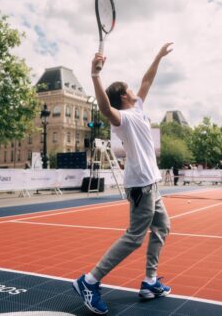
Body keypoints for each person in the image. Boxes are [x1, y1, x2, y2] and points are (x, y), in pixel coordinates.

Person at [72, 43, 173, 314]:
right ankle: (89, 281)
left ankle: (150, 281)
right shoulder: (122, 118)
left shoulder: (137, 107)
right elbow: (105, 109)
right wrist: (95, 76)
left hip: (152, 183)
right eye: (128, 88)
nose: (134, 89)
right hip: (140, 184)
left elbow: (147, 80)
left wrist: (157, 56)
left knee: (162, 227)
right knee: (134, 237)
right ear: (124, 96)